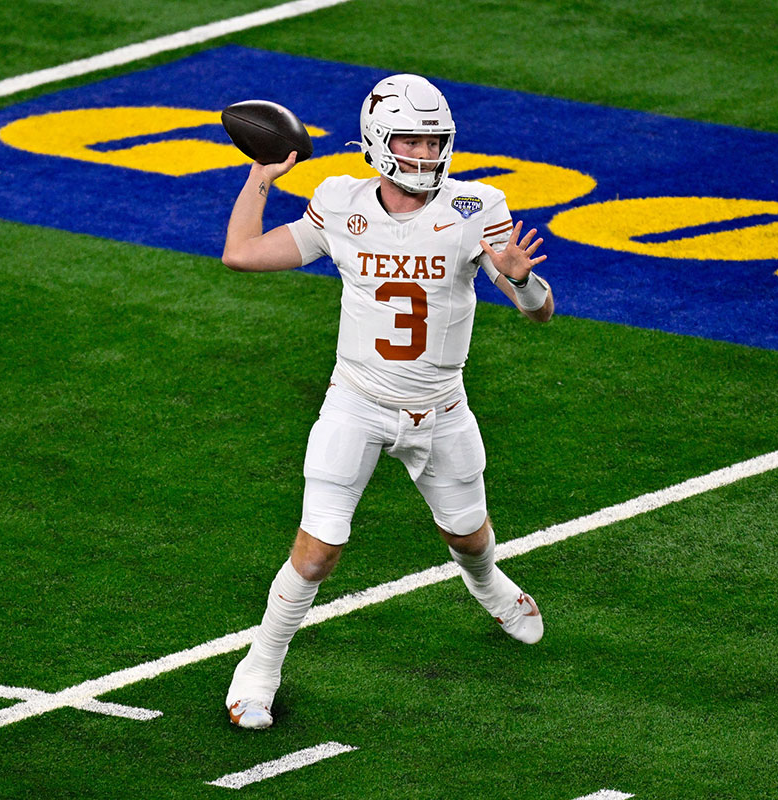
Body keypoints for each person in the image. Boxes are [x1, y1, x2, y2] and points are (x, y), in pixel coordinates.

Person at [219, 74, 555, 729]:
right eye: (411, 140)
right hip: (358, 403)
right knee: (317, 551)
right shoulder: (341, 203)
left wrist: (522, 280)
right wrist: (261, 176)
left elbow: (537, 312)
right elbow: (241, 254)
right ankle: (259, 666)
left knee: (468, 535)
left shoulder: (476, 208)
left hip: (443, 406)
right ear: (377, 139)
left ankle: (489, 587)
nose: (426, 156)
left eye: (434, 143)